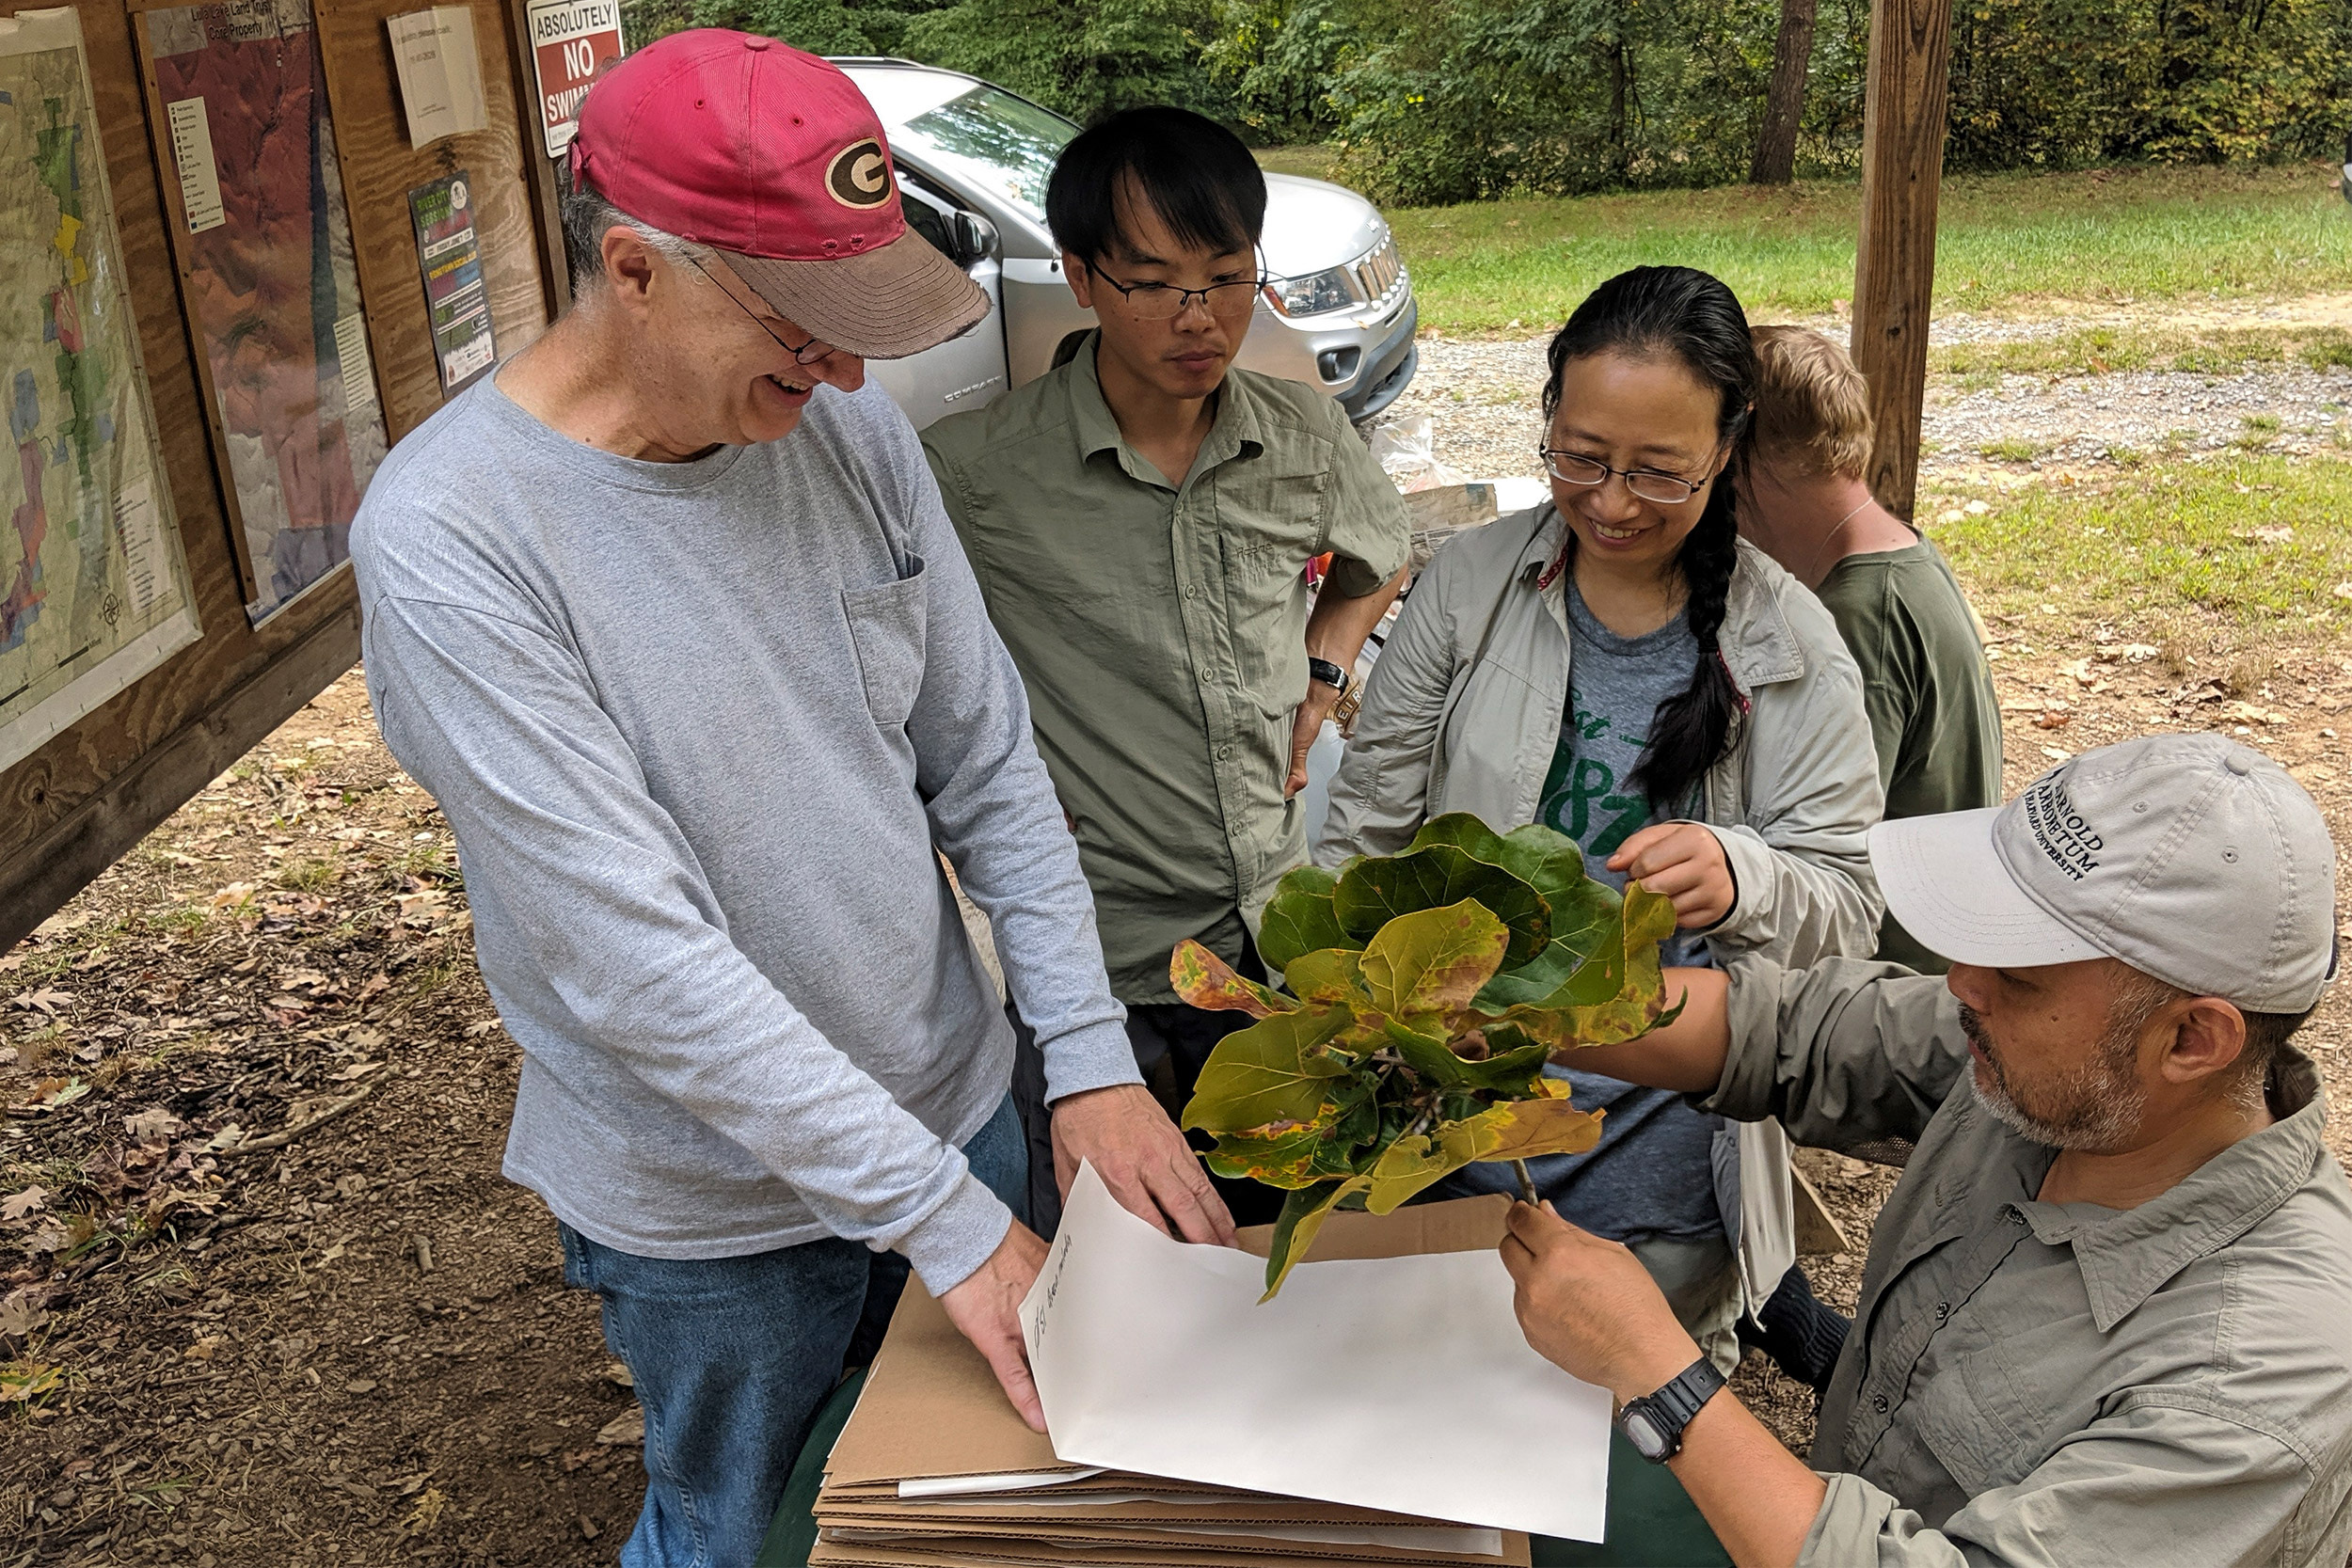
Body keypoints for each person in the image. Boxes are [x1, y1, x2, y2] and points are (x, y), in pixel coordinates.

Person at [349, 34, 1216, 1565]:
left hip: (961, 1117)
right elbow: (637, 962)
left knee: (972, 1521)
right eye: (803, 326)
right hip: (720, 1220)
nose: (852, 372)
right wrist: (952, 1231)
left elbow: (988, 758)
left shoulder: (847, 430)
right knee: (742, 1536)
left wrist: (1083, 1059)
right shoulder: (452, 540)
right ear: (634, 269)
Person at [1501, 733, 2351, 1567]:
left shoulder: (2255, 1375)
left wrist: (1656, 1367)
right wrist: (1498, 1010)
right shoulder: (2080, 1082)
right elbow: (1787, 1029)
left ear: (2193, 1039)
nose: (1962, 982)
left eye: (2019, 975)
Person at [1318, 265, 1884, 1371]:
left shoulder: (1788, 643)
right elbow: (1366, 839)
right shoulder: (1473, 585)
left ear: (1725, 451)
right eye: (1578, 456)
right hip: (1458, 1127)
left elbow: (1851, 905)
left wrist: (1743, 871)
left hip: (1660, 1166)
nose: (1611, 500)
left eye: (1657, 472)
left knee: (1625, 1483)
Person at [923, 107, 1411, 1233]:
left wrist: (1322, 676)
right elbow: (903, 683)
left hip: (1277, 947)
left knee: (1294, 1248)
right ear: (1083, 278)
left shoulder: (1299, 431)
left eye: (1229, 277)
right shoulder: (979, 475)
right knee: (1121, 1263)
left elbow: (1374, 559)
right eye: (1154, 283)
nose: (1202, 320)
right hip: (1107, 966)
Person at [1738, 325, 2002, 973]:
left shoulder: (1855, 623)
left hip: (1884, 984)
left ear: (1745, 463)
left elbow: (1816, 852)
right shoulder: (1900, 556)